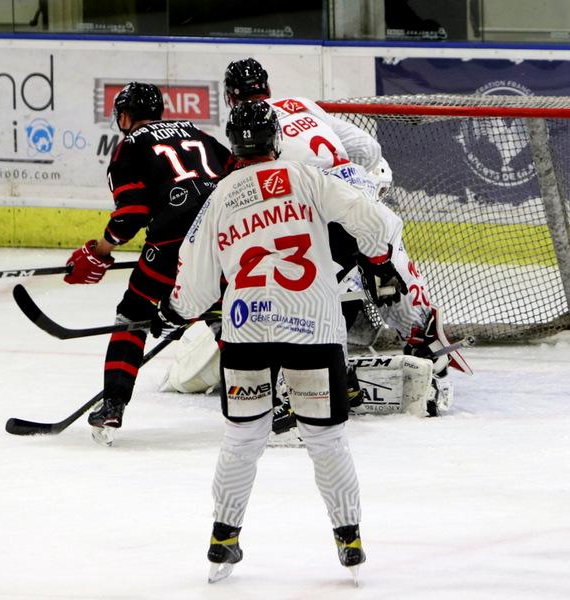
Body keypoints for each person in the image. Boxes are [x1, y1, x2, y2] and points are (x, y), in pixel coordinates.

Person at [154, 100, 407, 582]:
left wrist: (171, 311)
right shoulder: (306, 178)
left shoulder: (220, 198)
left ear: (234, 144)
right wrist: (378, 261)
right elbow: (371, 220)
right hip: (311, 327)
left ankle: (223, 540)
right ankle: (348, 539)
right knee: (326, 439)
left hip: (246, 331)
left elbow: (196, 289)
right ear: (275, 140)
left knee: (242, 437)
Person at [222, 57, 471, 378]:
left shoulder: (247, 128)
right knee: (386, 264)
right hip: (361, 190)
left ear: (230, 96)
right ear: (268, 87)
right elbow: (368, 148)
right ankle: (423, 339)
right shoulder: (300, 103)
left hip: (318, 206)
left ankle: (322, 361)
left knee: (308, 283)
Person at [63, 82, 232, 446]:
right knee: (224, 313)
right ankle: (256, 400)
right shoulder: (194, 131)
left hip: (172, 246)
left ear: (125, 116)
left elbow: (131, 215)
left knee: (133, 313)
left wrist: (101, 250)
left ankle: (112, 405)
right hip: (226, 238)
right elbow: (236, 172)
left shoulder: (128, 147)